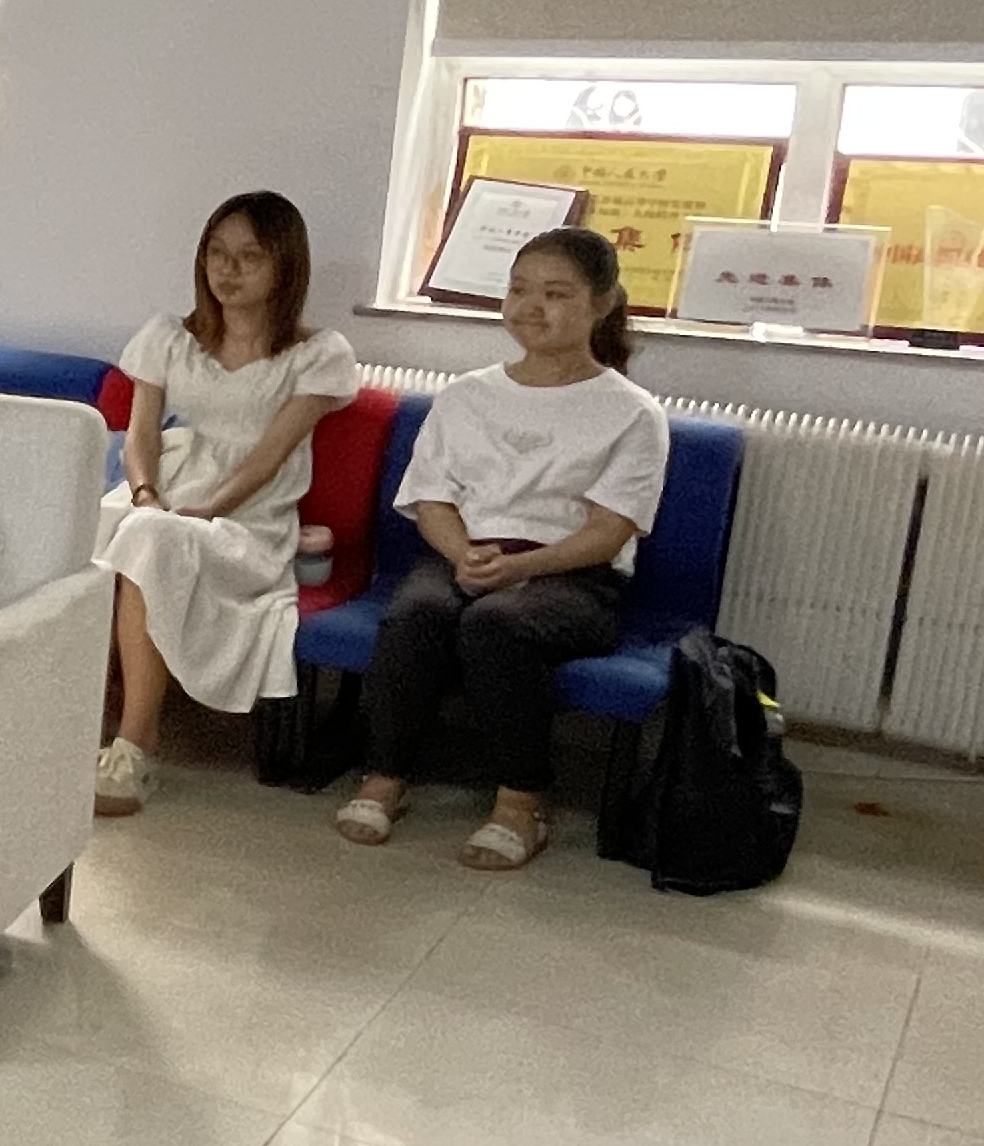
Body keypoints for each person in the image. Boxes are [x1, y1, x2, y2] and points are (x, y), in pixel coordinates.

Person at [339, 224, 668, 868]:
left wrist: (523, 566)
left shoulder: (632, 412)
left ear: (602, 304)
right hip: (466, 553)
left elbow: (608, 532)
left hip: (574, 575)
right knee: (419, 612)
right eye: (519, 290)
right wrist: (462, 553)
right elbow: (432, 500)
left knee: (498, 624)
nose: (531, 307)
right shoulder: (467, 395)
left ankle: (522, 801)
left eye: (555, 293)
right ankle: (384, 778)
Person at [92, 191, 362, 818]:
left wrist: (201, 512)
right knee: (104, 528)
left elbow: (268, 458)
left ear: (285, 267)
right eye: (217, 253)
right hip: (164, 488)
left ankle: (135, 744)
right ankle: (58, 716)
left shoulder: (319, 354)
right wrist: (147, 494)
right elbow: (140, 437)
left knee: (149, 538)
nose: (227, 270)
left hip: (249, 513)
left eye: (249, 257)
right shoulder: (168, 336)